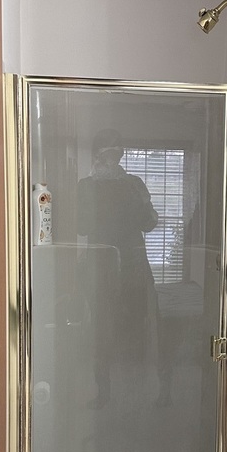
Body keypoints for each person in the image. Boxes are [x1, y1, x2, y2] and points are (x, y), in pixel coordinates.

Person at [77, 129, 159, 406]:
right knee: (102, 328)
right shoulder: (88, 186)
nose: (113, 159)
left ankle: (130, 393)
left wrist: (139, 202)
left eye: (117, 153)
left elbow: (149, 224)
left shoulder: (132, 184)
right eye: (108, 154)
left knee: (133, 326)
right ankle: (106, 392)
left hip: (128, 265)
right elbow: (82, 226)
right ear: (98, 156)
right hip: (103, 265)